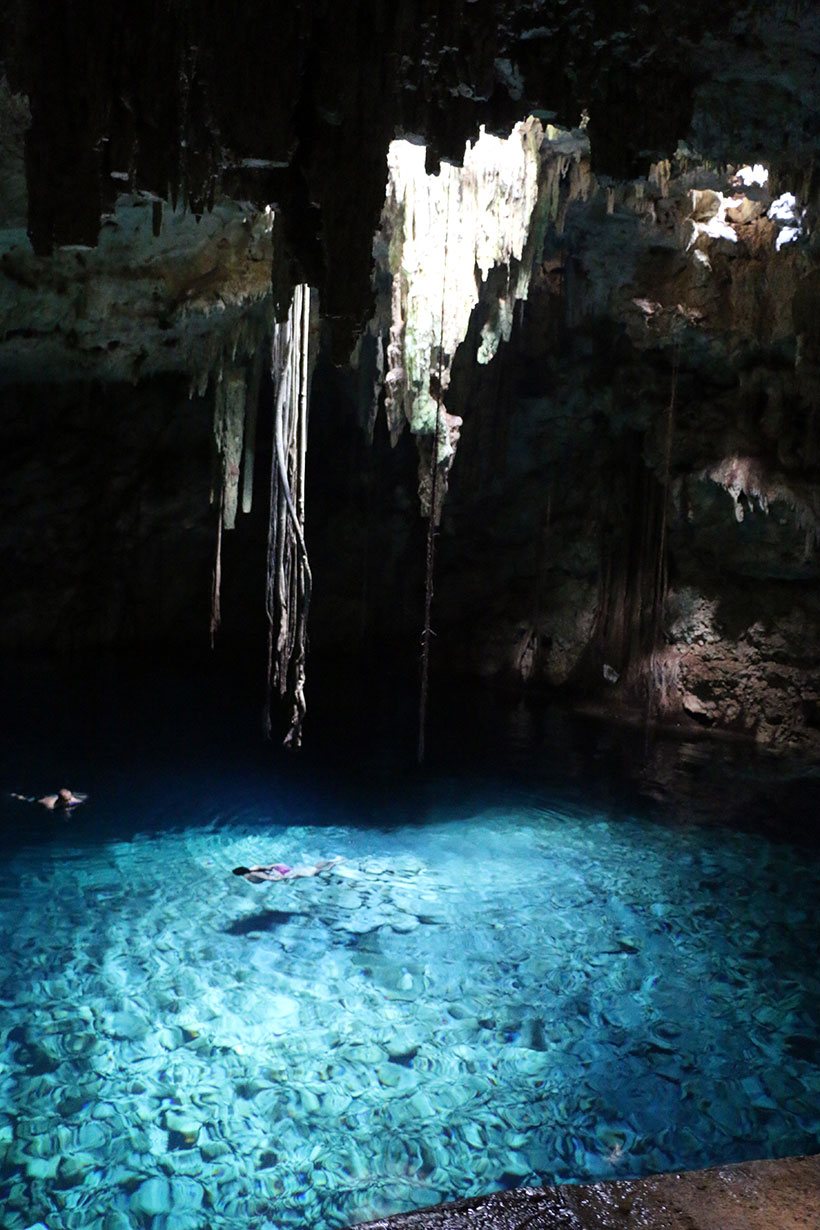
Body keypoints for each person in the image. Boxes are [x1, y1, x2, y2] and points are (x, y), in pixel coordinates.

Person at [232, 857, 342, 884]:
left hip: (281, 873)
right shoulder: (253, 867)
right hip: (279, 867)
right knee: (310, 869)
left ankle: (335, 862)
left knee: (311, 872)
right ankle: (331, 862)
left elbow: (269, 878)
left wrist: (283, 878)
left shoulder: (251, 874)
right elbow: (271, 866)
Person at [10, 788, 87, 810]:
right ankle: (15, 795)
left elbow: (78, 802)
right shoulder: (50, 806)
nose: (71, 800)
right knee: (27, 799)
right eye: (68, 800)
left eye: (70, 798)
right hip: (44, 799)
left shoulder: (72, 798)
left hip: (56, 797)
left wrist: (73, 807)